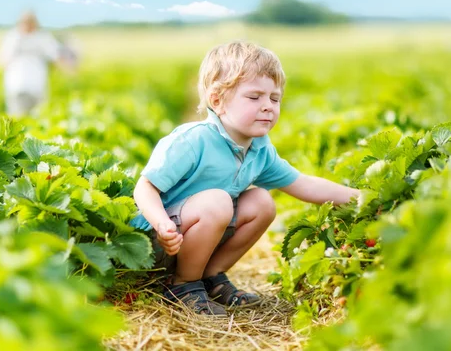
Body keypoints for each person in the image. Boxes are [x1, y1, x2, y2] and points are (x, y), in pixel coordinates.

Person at [131, 41, 361, 316]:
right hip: (157, 244)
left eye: (274, 98)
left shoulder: (260, 149)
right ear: (217, 100)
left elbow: (304, 184)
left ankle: (210, 277)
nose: (267, 107)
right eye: (254, 97)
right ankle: (182, 286)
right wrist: (161, 224)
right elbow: (144, 188)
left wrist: (363, 199)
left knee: (262, 202)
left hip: (193, 243)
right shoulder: (193, 140)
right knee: (218, 202)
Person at [0, 10, 74, 117]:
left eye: (30, 22)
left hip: (35, 87)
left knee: (36, 117)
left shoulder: (41, 37)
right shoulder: (13, 37)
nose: (28, 25)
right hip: (18, 87)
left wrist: (68, 69)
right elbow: (5, 60)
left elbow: (56, 55)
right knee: (18, 118)